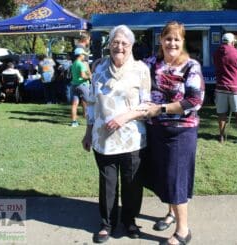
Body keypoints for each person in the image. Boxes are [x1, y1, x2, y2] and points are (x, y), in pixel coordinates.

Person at [81, 25, 151, 243]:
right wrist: (88, 131)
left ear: (130, 46)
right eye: (115, 42)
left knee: (132, 184)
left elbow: (147, 106)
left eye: (124, 43)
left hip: (132, 138)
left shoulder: (141, 69)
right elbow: (92, 103)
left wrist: (124, 117)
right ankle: (107, 224)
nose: (119, 46)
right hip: (103, 140)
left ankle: (129, 221)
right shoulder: (99, 67)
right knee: (108, 184)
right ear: (109, 44)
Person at [145, 21, 205, 245]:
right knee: (165, 177)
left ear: (182, 42)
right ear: (161, 40)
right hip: (156, 131)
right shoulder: (151, 63)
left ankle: (183, 231)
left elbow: (194, 100)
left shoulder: (191, 66)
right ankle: (171, 213)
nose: (172, 43)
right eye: (168, 38)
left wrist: (160, 109)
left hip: (181, 133)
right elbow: (131, 72)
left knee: (177, 178)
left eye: (176, 39)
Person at [213, 32, 237, 144]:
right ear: (232, 42)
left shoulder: (216, 53)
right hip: (235, 87)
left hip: (220, 87)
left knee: (221, 113)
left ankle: (221, 136)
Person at [70, 48, 91, 127]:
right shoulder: (81, 64)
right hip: (82, 85)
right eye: (83, 54)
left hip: (74, 85)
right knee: (91, 103)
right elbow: (83, 76)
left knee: (74, 104)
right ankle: (93, 121)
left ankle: (74, 122)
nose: (84, 56)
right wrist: (90, 76)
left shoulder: (74, 64)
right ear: (80, 55)